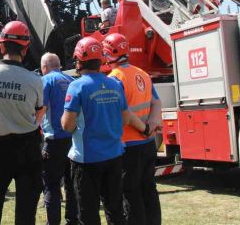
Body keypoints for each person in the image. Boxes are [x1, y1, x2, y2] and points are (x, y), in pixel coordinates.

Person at [61, 37, 147, 225]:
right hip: (114, 157)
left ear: (79, 60)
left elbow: (67, 126)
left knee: (88, 213)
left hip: (86, 160)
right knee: (115, 210)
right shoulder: (114, 84)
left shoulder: (77, 86)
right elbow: (125, 119)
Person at [0, 21, 44, 225]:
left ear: (1, 46)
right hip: (28, 149)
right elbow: (40, 111)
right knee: (26, 211)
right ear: (26, 48)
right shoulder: (35, 80)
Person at [104, 33, 162, 225]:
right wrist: (151, 126)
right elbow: (156, 102)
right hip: (147, 144)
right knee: (149, 189)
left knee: (130, 192)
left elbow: (125, 112)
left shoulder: (114, 79)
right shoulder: (142, 73)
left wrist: (144, 128)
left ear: (107, 53)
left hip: (129, 144)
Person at [40, 53, 76, 225]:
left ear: (44, 67)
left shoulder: (46, 80)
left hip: (54, 141)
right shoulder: (71, 80)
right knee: (71, 184)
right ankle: (72, 220)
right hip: (73, 140)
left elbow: (41, 109)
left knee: (51, 185)